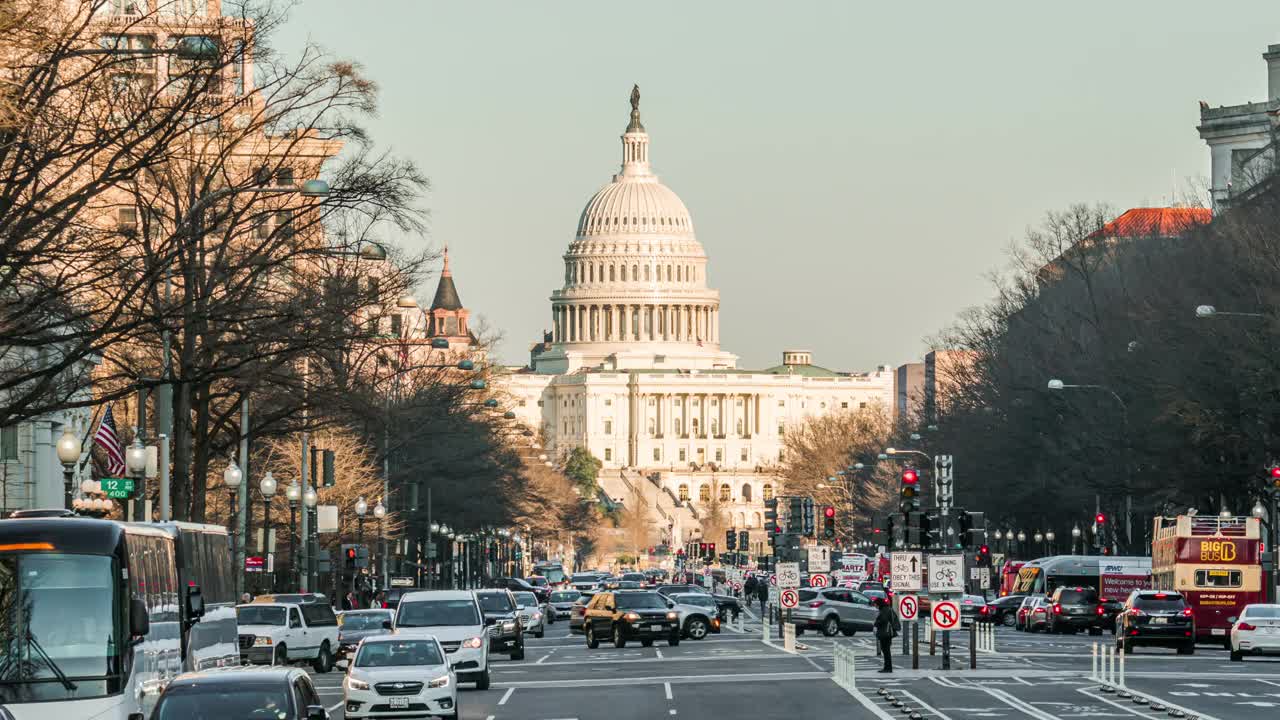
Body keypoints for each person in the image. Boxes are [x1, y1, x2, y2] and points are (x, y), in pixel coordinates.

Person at [873, 597, 900, 673]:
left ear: (879, 604)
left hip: (885, 633)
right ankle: (887, 667)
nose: (875, 606)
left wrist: (876, 623)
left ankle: (888, 668)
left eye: (876, 604)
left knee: (886, 650)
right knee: (886, 650)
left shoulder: (884, 610)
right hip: (887, 633)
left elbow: (883, 620)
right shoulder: (886, 608)